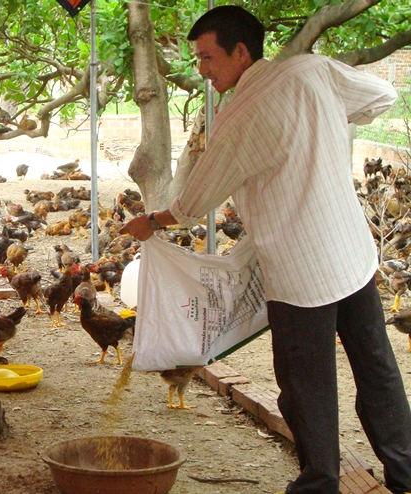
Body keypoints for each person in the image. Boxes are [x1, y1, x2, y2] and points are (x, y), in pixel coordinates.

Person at [120, 5, 411, 494]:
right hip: (351, 255)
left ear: (240, 51)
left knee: (306, 388)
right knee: (377, 368)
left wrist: (150, 222)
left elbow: (192, 204)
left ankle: (320, 483)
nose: (202, 69)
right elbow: (383, 95)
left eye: (207, 57)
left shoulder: (239, 117)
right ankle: (405, 473)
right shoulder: (313, 71)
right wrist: (326, 119)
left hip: (300, 276)